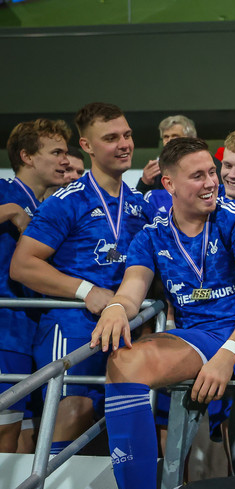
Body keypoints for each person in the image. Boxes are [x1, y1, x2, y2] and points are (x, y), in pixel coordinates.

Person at [91, 137, 235, 489]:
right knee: (123, 363)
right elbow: (130, 292)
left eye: (211, 172)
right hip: (200, 336)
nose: (211, 183)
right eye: (197, 176)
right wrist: (115, 308)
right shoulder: (151, 235)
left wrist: (227, 355)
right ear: (169, 184)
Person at [10, 102, 152, 456]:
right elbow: (23, 265)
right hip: (74, 326)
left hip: (125, 329)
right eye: (111, 138)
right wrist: (86, 290)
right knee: (72, 416)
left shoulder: (140, 204)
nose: (124, 144)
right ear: (87, 146)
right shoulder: (66, 200)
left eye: (127, 135)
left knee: (109, 433)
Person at [0, 118, 71, 453]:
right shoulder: (6, 192)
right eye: (56, 152)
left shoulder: (50, 208)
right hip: (5, 328)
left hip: (34, 330)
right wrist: (11, 211)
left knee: (27, 435)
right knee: (5, 429)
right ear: (27, 156)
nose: (66, 161)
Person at [135, 115, 197, 193]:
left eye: (175, 136)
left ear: (190, 139)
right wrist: (145, 183)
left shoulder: (203, 163)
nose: (169, 140)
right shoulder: (157, 170)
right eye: (166, 137)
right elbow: (140, 199)